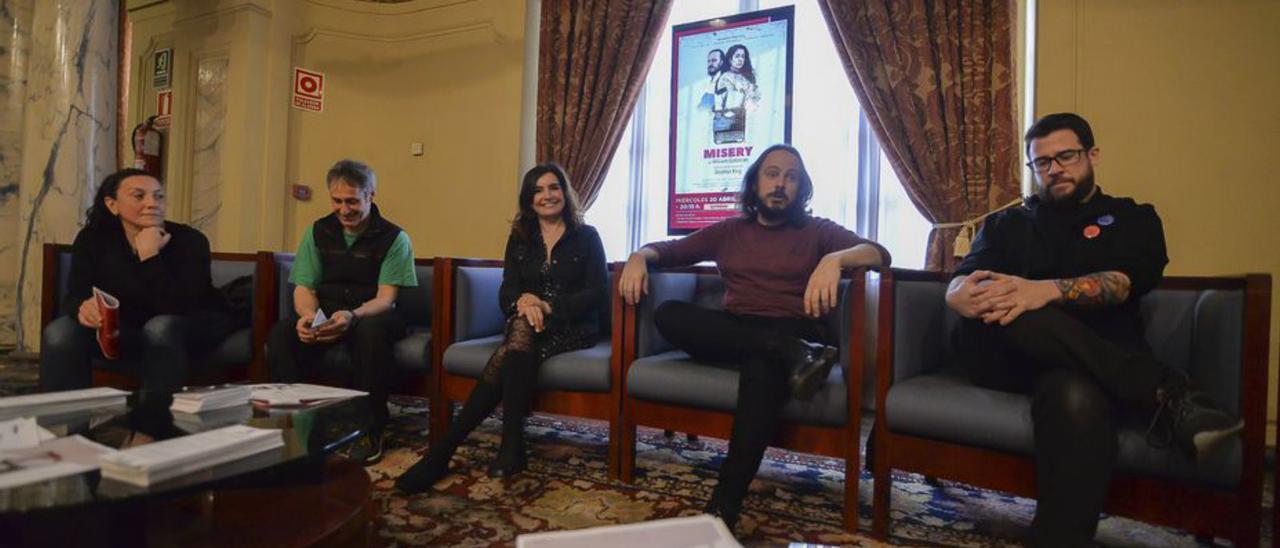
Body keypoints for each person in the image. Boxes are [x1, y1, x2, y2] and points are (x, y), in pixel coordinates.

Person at [945, 112, 1242, 547]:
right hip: (1006, 355)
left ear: (1092, 155)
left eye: (1066, 156)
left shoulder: (1132, 218)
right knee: (1011, 303)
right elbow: (967, 275)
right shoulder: (1005, 225)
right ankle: (1163, 390)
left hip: (1089, 362)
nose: (1054, 169)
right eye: (1041, 162)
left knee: (1074, 394)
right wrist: (954, 293)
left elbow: (1125, 282)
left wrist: (1046, 291)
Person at [617, 144, 889, 531]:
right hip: (735, 330)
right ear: (755, 183)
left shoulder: (817, 232)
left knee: (763, 368)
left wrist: (834, 260)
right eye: (772, 173)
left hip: (789, 326)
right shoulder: (730, 231)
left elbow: (879, 253)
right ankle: (795, 353)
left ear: (801, 187)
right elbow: (670, 250)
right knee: (668, 314)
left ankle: (722, 508)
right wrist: (638, 257)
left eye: (791, 177)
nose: (780, 184)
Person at [396, 163, 607, 492]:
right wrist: (523, 302)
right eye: (538, 190)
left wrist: (546, 306)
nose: (547, 195)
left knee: (513, 346)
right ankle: (509, 447)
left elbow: (597, 292)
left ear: (565, 192)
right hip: (527, 321)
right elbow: (507, 290)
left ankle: (444, 452)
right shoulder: (521, 237)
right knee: (520, 332)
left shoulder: (587, 236)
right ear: (528, 198)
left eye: (553, 187)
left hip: (572, 324)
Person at [266, 159, 417, 465]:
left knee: (370, 331)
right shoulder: (317, 232)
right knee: (282, 333)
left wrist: (353, 315)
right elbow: (304, 288)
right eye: (337, 201)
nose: (344, 210)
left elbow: (386, 298)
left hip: (373, 314)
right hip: (328, 312)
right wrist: (308, 317)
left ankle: (370, 428)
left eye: (352, 201)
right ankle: (298, 423)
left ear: (370, 195)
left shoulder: (395, 238)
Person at [41, 168, 237, 392]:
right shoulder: (92, 239)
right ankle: (65, 423)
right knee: (59, 333)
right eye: (139, 196)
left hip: (185, 328)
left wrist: (150, 257)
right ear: (112, 204)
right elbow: (76, 294)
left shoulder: (190, 241)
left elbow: (178, 307)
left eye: (158, 196)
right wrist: (84, 308)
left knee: (159, 327)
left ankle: (155, 421)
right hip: (123, 330)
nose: (152, 203)